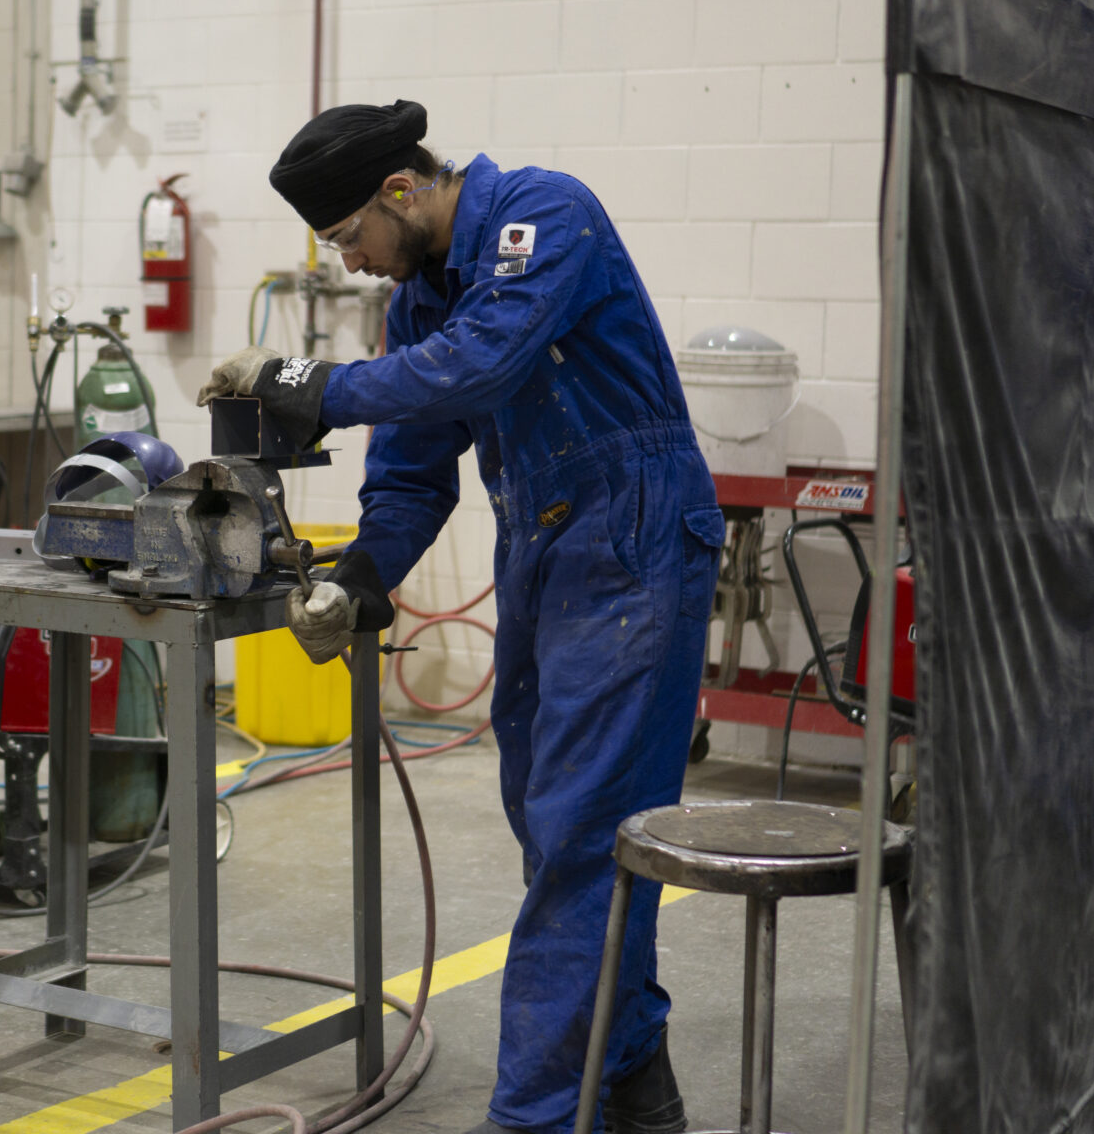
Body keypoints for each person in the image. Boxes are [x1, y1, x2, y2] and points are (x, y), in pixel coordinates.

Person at [197, 100, 722, 1134]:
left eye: (350, 238)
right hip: (544, 547)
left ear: (400, 190)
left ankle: (531, 1118)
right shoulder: (420, 303)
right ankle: (632, 1070)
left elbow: (482, 363)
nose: (350, 264)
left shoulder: (543, 216)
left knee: (578, 839)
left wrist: (305, 383)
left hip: (636, 539)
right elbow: (409, 477)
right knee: (559, 830)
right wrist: (360, 578)